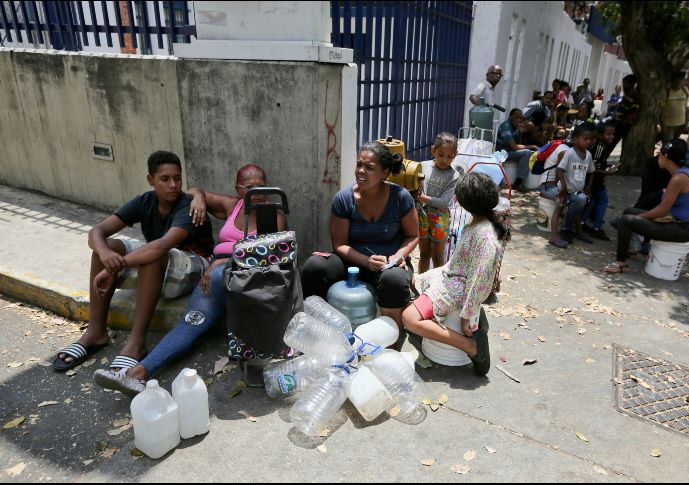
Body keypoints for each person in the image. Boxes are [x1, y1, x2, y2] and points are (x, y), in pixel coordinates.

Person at [92, 164, 286, 395]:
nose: (257, 192)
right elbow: (194, 190)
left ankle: (137, 372)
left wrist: (221, 263)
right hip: (214, 278)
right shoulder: (232, 206)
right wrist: (199, 200)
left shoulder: (273, 216)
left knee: (217, 275)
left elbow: (265, 255)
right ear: (238, 189)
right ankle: (138, 374)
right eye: (250, 187)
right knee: (191, 322)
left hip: (242, 275)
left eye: (262, 186)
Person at [52, 151, 214, 372]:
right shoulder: (145, 201)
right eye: (165, 179)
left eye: (177, 178)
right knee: (108, 247)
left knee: (152, 255)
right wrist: (105, 253)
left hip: (196, 267)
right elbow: (97, 231)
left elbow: (161, 246)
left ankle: (136, 343)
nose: (173, 185)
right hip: (164, 264)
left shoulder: (187, 206)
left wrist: (114, 268)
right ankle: (95, 332)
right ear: (150, 180)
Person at [401, 172, 509, 377]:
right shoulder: (479, 223)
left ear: (462, 202)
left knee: (409, 318)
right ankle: (477, 323)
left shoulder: (484, 235)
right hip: (453, 276)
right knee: (413, 280)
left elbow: (479, 281)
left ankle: (469, 346)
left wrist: (467, 315)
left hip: (458, 287)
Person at [301, 142, 419, 327]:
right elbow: (339, 244)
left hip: (387, 265)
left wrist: (398, 256)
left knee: (393, 279)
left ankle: (392, 331)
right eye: (359, 164)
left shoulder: (400, 197)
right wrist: (366, 261)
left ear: (384, 172)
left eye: (369, 167)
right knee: (314, 266)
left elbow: (413, 235)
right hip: (353, 262)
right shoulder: (343, 198)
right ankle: (315, 325)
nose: (360, 171)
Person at [603, 139, 689, 274]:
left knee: (626, 220)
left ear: (665, 157)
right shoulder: (684, 172)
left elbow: (661, 211)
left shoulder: (678, 179)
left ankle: (620, 263)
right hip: (678, 223)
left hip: (683, 229)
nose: (657, 157)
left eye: (659, 154)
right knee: (629, 211)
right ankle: (630, 250)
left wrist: (639, 217)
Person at [540, 123, 597, 248]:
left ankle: (577, 232)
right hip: (563, 189)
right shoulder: (569, 153)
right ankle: (554, 236)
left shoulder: (588, 155)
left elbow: (592, 171)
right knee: (559, 207)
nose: (588, 142)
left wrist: (588, 186)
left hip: (576, 190)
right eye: (585, 139)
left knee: (580, 204)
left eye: (590, 139)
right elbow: (560, 169)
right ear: (575, 139)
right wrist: (563, 187)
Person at [417, 133, 460, 274]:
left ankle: (436, 285)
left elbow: (443, 202)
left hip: (440, 219)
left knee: (437, 257)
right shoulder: (422, 166)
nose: (444, 160)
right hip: (422, 216)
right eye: (441, 155)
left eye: (450, 156)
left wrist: (423, 198)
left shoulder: (454, 175)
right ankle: (420, 283)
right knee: (424, 255)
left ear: (455, 155)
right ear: (433, 150)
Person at [582, 123, 618, 240]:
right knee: (602, 201)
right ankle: (596, 227)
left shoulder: (603, 147)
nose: (611, 137)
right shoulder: (599, 148)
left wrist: (607, 167)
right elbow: (593, 168)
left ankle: (583, 222)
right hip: (594, 182)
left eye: (613, 134)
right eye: (608, 134)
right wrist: (607, 172)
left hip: (595, 182)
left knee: (593, 202)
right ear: (600, 135)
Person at [496, 108, 539, 191]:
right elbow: (514, 147)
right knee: (527, 153)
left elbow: (519, 144)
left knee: (527, 153)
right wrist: (532, 146)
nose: (519, 120)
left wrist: (520, 133)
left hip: (508, 151)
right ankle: (518, 183)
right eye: (517, 117)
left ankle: (518, 182)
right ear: (510, 116)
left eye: (521, 118)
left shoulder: (515, 127)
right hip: (501, 153)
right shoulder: (505, 126)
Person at [606, 74, 640, 157]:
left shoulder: (635, 97)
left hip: (623, 124)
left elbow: (633, 115)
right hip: (617, 122)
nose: (624, 85)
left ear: (632, 84)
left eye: (625, 83)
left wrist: (622, 123)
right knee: (609, 143)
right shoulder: (626, 95)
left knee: (611, 143)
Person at [660, 71, 689, 143]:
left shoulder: (685, 90)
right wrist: (662, 125)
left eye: (681, 80)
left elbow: (687, 108)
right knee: (668, 143)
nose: (678, 83)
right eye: (676, 81)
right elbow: (660, 110)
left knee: (674, 143)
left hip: (681, 124)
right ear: (672, 81)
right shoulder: (666, 91)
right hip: (668, 125)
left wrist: (686, 123)